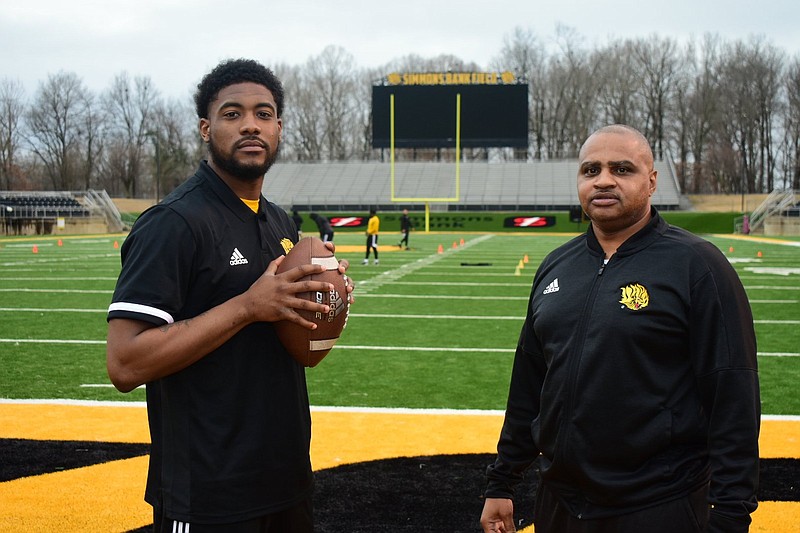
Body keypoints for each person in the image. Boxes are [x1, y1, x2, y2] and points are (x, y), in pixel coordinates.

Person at [106, 59, 352, 533]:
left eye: (263, 114)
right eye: (232, 114)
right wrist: (247, 306)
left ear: (279, 127)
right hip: (209, 493)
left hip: (285, 480)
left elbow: (297, 350)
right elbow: (125, 364)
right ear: (206, 127)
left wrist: (324, 305)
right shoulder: (173, 223)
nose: (250, 126)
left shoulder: (280, 222)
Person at [480, 124, 760, 533]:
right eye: (590, 170)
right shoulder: (556, 266)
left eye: (622, 169)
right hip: (560, 504)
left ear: (651, 182)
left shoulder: (697, 265)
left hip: (658, 504)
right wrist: (501, 481)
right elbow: (530, 384)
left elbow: (733, 396)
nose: (604, 180)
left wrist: (732, 514)